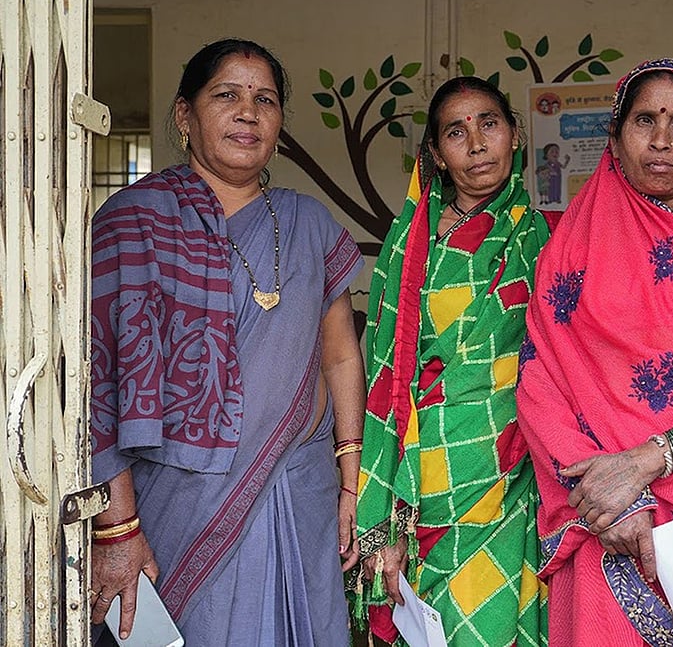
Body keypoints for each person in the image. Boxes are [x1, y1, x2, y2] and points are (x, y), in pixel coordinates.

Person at [89, 38, 365, 645]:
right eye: (227, 96)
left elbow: (341, 354)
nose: (248, 112)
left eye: (265, 99)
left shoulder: (308, 223)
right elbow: (93, 382)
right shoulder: (132, 220)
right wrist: (116, 526)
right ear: (185, 116)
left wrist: (351, 475)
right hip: (173, 507)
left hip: (301, 493)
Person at [515, 59, 673, 645]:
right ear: (615, 136)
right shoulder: (571, 244)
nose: (661, 140)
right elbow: (540, 378)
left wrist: (643, 464)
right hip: (597, 499)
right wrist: (602, 497)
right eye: (644, 120)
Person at [355, 76, 554, 645]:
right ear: (437, 156)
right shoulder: (409, 243)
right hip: (423, 471)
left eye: (489, 123)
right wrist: (379, 505)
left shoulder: (546, 239)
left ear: (515, 135)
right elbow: (383, 373)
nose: (476, 143)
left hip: (511, 466)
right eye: (455, 132)